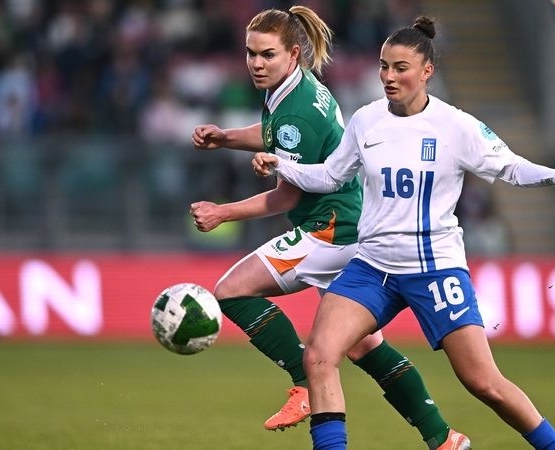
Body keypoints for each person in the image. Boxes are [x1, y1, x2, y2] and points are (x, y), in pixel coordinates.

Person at [252, 16, 555, 450]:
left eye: (401, 68)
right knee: (318, 355)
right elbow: (331, 175)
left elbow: (508, 164)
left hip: (435, 269)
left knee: (483, 383)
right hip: (373, 267)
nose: (389, 77)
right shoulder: (367, 120)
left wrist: (553, 175)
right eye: (383, 66)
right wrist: (283, 165)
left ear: (427, 71)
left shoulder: (455, 126)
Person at [189, 7, 468, 450]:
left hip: (327, 230)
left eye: (267, 55)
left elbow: (285, 197)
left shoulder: (295, 112)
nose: (256, 63)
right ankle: (443, 436)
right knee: (364, 347)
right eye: (250, 53)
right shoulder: (296, 88)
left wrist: (222, 213)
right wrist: (226, 137)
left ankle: (302, 382)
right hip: (352, 225)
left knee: (231, 291)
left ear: (293, 54)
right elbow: (275, 133)